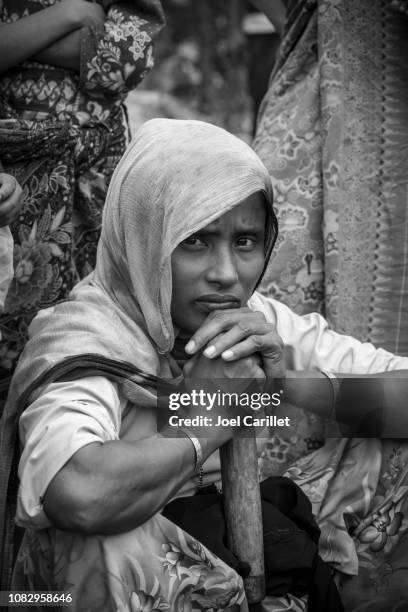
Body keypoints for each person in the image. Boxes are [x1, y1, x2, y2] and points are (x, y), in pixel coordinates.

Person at [1, 119, 408, 610]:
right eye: (194, 240)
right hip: (54, 597)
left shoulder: (253, 320)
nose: (225, 274)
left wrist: (277, 385)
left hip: (239, 554)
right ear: (144, 236)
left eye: (245, 242)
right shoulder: (86, 340)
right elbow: (79, 494)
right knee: (103, 538)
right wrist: (209, 413)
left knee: (391, 444)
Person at [0, 0, 165, 412]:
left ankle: (89, 446)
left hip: (97, 177)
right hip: (10, 170)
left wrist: (17, 40)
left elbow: (127, 61)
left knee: (103, 326)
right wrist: (72, 14)